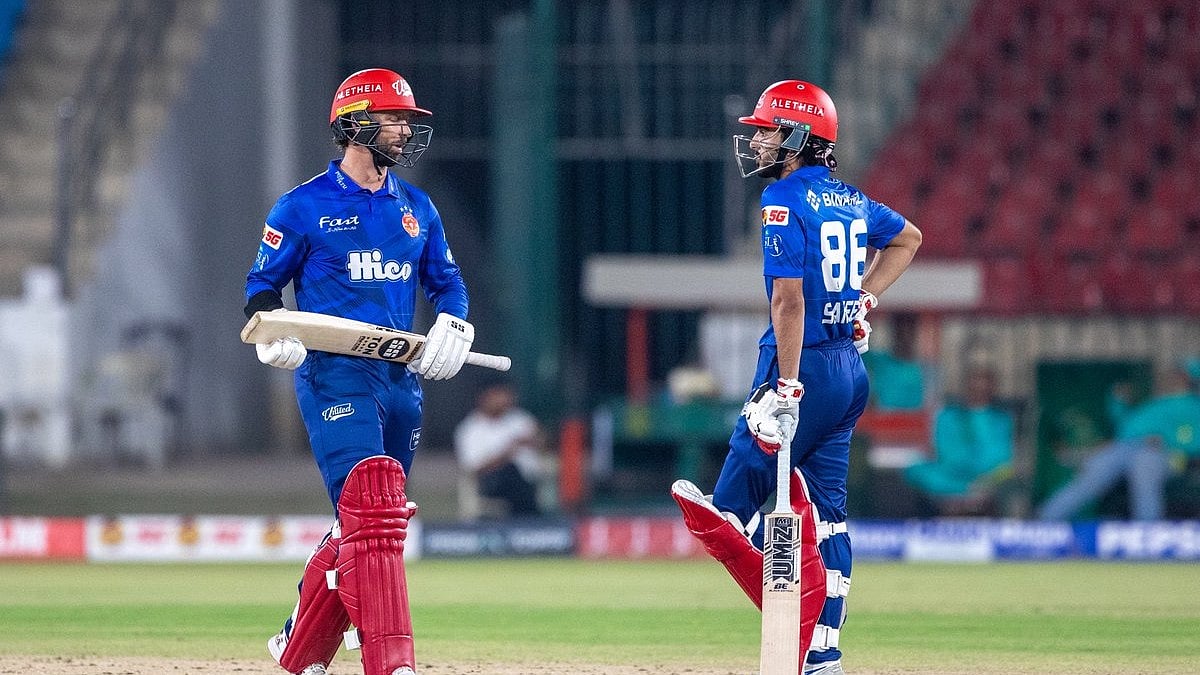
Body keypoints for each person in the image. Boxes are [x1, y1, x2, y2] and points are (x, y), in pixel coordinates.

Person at [671, 80, 921, 675]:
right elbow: (908, 238)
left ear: (798, 136)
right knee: (829, 517)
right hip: (848, 371)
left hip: (799, 365)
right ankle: (824, 653)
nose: (757, 142)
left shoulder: (783, 199)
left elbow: (787, 301)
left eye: (766, 131)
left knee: (727, 514)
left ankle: (796, 625)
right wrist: (862, 300)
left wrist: (784, 387)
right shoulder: (851, 198)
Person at [245, 68, 477, 675]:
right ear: (354, 124)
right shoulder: (301, 207)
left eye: (407, 120)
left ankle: (298, 646)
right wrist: (277, 340)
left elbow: (447, 284)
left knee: (380, 521)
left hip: (400, 379)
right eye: (394, 118)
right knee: (369, 509)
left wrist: (454, 324)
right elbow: (261, 293)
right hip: (334, 375)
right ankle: (390, 656)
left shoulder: (416, 208)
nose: (405, 130)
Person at [1038, 363, 1200, 521]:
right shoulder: (1156, 402)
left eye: (1179, 374)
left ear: (1188, 379)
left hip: (1163, 453)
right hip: (1126, 447)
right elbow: (1126, 428)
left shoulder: (1192, 407)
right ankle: (1045, 518)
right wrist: (1117, 402)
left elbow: (1193, 443)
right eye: (1174, 373)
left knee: (1144, 465)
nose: (1172, 377)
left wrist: (1165, 440)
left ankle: (1148, 529)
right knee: (1097, 467)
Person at [904, 365, 1015, 515]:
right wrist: (963, 471)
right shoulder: (947, 416)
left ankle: (968, 493)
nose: (978, 388)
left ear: (992, 387)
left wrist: (982, 473)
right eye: (974, 382)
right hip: (951, 476)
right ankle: (965, 492)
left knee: (1007, 475)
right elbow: (944, 451)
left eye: (984, 383)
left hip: (986, 479)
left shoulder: (1001, 420)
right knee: (915, 470)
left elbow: (1000, 457)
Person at [453, 381, 544, 518]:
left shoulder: (519, 419)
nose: (503, 400)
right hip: (492, 481)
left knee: (520, 480)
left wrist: (534, 440)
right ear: (484, 398)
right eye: (497, 395)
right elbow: (472, 468)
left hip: (530, 479)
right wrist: (505, 455)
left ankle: (530, 521)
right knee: (511, 473)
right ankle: (532, 521)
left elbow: (544, 443)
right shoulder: (470, 428)